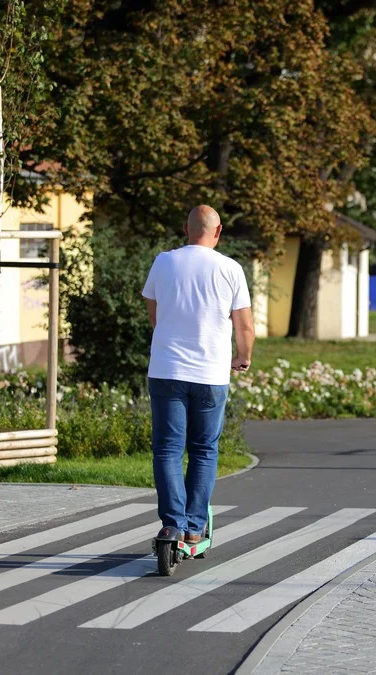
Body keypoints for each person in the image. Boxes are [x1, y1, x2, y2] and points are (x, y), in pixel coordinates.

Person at [142, 205, 256, 544]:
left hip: (166, 370)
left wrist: (167, 338)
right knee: (204, 449)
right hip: (211, 373)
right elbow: (245, 325)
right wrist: (243, 358)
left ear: (185, 228)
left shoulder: (164, 261)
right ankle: (194, 527)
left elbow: (153, 309)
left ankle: (172, 524)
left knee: (167, 448)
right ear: (218, 231)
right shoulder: (230, 268)